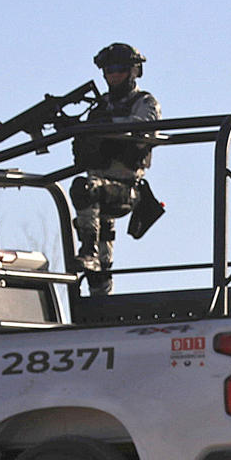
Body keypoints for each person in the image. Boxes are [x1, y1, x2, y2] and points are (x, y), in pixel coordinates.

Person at [72, 43, 161, 296]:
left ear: (134, 71)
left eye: (120, 69)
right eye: (109, 69)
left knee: (85, 189)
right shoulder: (99, 107)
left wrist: (107, 130)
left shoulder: (144, 102)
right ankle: (100, 294)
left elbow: (144, 129)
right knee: (102, 258)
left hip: (126, 189)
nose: (114, 75)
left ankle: (87, 251)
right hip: (99, 184)